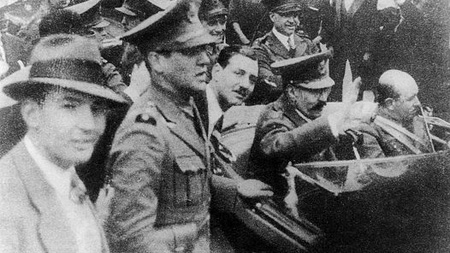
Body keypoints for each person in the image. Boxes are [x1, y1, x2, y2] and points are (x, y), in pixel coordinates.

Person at [105, 0, 252, 252]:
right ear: (157, 61)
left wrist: (236, 188)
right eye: (190, 51)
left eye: (205, 49)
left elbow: (184, 181)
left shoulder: (186, 106)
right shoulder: (145, 131)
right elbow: (131, 239)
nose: (205, 59)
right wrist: (190, 234)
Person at [0, 34, 127, 253]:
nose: (89, 124)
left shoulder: (63, 173)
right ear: (32, 114)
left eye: (96, 109)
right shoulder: (7, 201)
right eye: (70, 106)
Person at [248, 50, 377, 200]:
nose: (323, 99)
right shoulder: (273, 116)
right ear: (291, 92)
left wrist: (354, 174)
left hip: (315, 196)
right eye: (315, 92)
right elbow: (280, 146)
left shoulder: (307, 111)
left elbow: (325, 163)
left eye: (326, 90)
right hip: (278, 205)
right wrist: (340, 116)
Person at [249, 0, 318, 105]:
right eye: (286, 15)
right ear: (272, 17)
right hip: (275, 107)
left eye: (295, 16)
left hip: (306, 105)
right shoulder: (261, 47)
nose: (292, 21)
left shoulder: (308, 44)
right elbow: (268, 83)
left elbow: (320, 77)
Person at [355, 69, 434, 158]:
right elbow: (384, 170)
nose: (418, 103)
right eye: (411, 98)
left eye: (416, 96)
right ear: (390, 104)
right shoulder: (368, 131)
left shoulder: (416, 118)